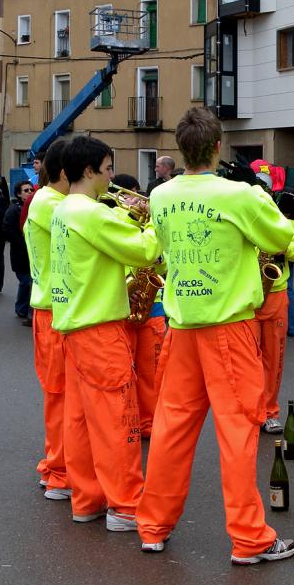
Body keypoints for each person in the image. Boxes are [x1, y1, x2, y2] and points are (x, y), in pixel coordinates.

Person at [136, 107, 294, 565]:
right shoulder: (240, 194)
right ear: (217, 147)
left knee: (170, 432)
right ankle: (249, 538)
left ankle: (153, 526)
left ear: (180, 149)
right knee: (239, 433)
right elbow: (282, 237)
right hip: (229, 329)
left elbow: (158, 247)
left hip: (182, 327)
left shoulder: (162, 195)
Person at [49, 135, 161, 531]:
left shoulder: (65, 209)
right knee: (118, 421)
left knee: (80, 421)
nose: (112, 177)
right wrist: (157, 219)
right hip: (100, 330)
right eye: (108, 169)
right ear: (89, 171)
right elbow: (145, 252)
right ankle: (126, 506)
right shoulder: (92, 213)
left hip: (75, 328)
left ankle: (87, 500)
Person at [23, 137, 71, 498]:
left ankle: (57, 467)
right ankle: (59, 471)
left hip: (50, 307)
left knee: (60, 395)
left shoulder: (47, 200)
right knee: (62, 395)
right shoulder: (54, 204)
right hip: (56, 309)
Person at [249, 159, 294, 434]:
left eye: (267, 188)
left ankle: (269, 410)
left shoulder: (289, 211)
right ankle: (251, 410)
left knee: (273, 358)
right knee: (247, 360)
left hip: (275, 291)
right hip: (245, 293)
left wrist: (284, 250)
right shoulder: (244, 209)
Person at [111, 173, 167, 439]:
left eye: (137, 195)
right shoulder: (110, 220)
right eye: (129, 196)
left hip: (151, 305)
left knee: (152, 373)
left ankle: (151, 423)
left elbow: (165, 264)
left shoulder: (151, 226)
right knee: (123, 374)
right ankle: (126, 423)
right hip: (120, 304)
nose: (136, 202)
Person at [4, 179, 35, 324]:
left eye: (31, 190)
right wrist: (23, 244)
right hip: (20, 254)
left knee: (28, 282)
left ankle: (22, 308)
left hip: (29, 253)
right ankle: (23, 309)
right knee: (26, 282)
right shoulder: (13, 210)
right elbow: (9, 230)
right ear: (18, 194)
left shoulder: (32, 208)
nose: (30, 192)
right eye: (26, 190)